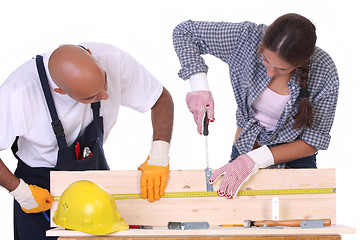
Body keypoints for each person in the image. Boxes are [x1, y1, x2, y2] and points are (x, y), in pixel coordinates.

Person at [0, 43, 174, 239]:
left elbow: (159, 99)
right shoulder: (17, 92)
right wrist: (21, 191)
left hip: (95, 177)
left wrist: (159, 156)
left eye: (105, 82)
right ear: (60, 91)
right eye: (92, 96)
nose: (105, 95)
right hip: (40, 188)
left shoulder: (113, 59)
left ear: (91, 55)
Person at [173, 13, 338, 199]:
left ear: (300, 63)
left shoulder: (324, 70)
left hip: (295, 159)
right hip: (246, 149)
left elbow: (314, 141)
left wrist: (256, 160)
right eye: (266, 60)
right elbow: (185, 32)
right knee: (237, 221)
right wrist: (199, 85)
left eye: (282, 69)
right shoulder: (245, 38)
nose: (270, 72)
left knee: (298, 222)